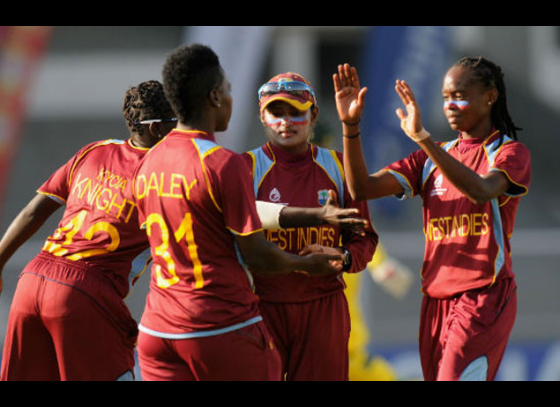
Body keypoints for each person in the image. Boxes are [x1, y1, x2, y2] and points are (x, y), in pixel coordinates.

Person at [133, 44, 344, 382]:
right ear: (215, 97)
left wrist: (310, 217)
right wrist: (307, 265)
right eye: (230, 90)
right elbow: (258, 256)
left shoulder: (149, 162)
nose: (233, 98)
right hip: (217, 325)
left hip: (157, 328)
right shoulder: (223, 163)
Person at [334, 58, 531, 381]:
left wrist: (423, 138)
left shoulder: (509, 153)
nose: (450, 105)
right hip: (435, 303)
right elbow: (361, 188)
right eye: (445, 97)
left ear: (490, 97)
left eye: (459, 95)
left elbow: (481, 190)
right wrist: (350, 127)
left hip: (482, 298)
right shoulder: (427, 159)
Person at [0, 80, 177, 381]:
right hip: (84, 292)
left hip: (31, 282)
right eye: (177, 121)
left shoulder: (94, 151)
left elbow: (35, 209)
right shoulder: (167, 175)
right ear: (156, 129)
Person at [242, 72, 378, 381]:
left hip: (323, 308)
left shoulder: (339, 166)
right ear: (263, 116)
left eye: (296, 112)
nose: (286, 122)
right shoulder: (244, 168)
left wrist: (341, 258)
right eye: (277, 112)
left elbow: (365, 238)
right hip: (262, 308)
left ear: (313, 114)